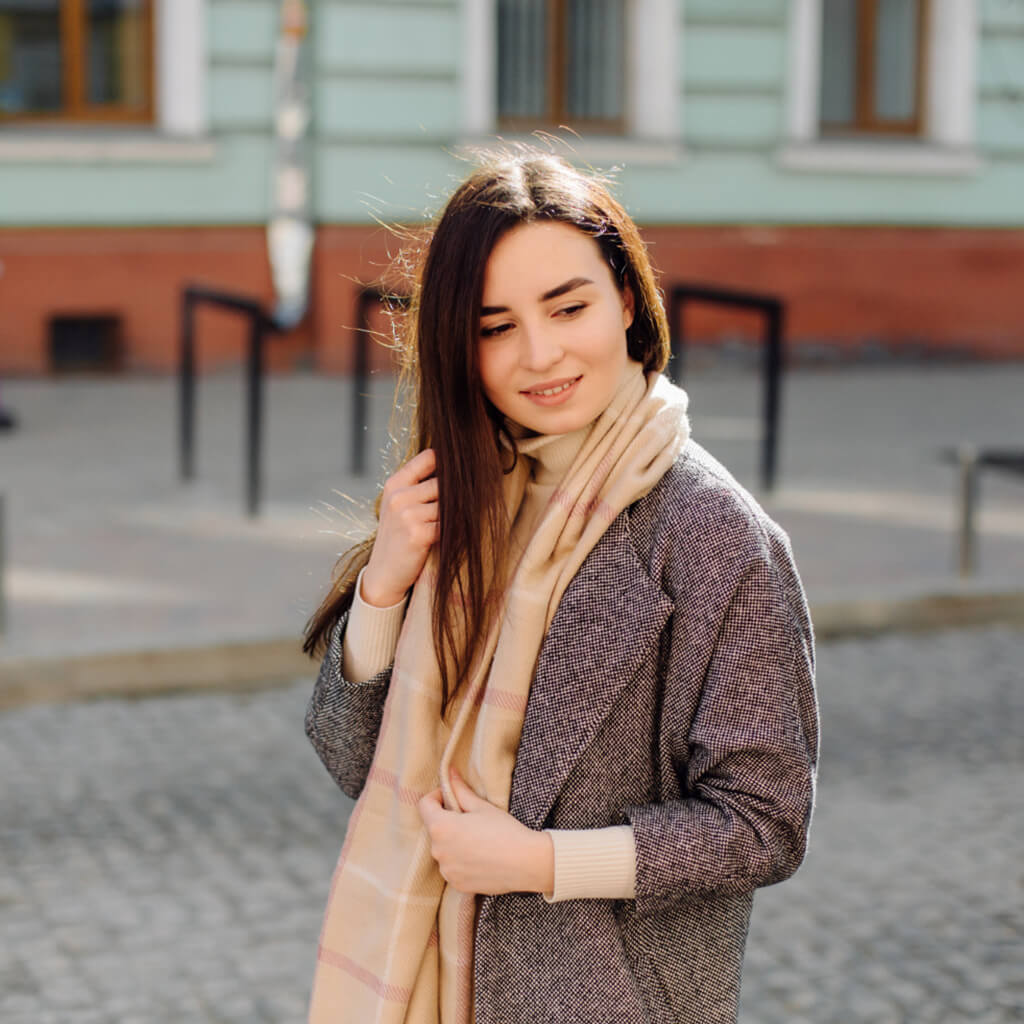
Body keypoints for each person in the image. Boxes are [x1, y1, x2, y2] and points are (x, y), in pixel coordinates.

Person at [301, 150, 819, 1024]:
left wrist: (540, 864)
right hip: (432, 976)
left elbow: (764, 823)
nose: (539, 353)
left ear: (626, 297)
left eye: (568, 306)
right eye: (495, 326)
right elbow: (354, 759)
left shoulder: (711, 533)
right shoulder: (463, 497)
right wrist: (384, 586)